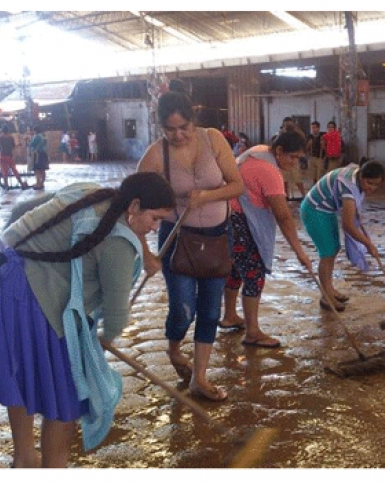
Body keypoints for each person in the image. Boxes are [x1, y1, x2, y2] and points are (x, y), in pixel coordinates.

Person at [0, 172, 176, 468]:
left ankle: (25, 458)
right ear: (134, 206)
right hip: (18, 297)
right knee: (66, 401)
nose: (155, 228)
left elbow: (20, 213)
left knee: (23, 378)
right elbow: (117, 316)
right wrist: (95, 349)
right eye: (155, 218)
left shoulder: (89, 190)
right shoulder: (120, 243)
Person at [136, 79, 244, 402]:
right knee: (183, 309)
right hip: (177, 240)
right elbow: (133, 206)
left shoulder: (214, 141)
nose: (179, 135)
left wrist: (208, 196)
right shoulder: (155, 156)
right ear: (161, 128)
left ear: (193, 121)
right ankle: (173, 349)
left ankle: (200, 377)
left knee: (210, 310)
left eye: (184, 127)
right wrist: (145, 253)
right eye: (171, 130)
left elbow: (237, 185)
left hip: (217, 237)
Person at [218, 131, 314, 347]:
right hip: (242, 221)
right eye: (293, 157)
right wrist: (300, 252)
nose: (295, 162)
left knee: (235, 268)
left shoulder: (257, 152)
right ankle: (252, 332)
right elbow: (283, 216)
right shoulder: (268, 171)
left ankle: (230, 315)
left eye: (299, 158)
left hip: (227, 217)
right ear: (279, 151)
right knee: (254, 273)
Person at [300, 159, 385, 312]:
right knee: (327, 252)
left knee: (333, 249)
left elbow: (352, 217)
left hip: (326, 208)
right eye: (369, 183)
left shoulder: (357, 174)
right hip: (314, 209)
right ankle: (326, 297)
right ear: (361, 177)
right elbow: (348, 225)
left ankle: (329, 289)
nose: (372, 188)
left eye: (376, 185)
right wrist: (368, 244)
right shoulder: (349, 188)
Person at [276, 117, 306, 199]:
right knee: (284, 179)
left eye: (290, 124)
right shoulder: (281, 135)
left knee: (297, 178)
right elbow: (276, 145)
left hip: (294, 158)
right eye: (286, 124)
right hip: (284, 159)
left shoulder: (298, 134)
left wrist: (300, 155)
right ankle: (286, 196)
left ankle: (304, 195)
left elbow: (303, 144)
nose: (288, 126)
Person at [0, 125, 30, 190]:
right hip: (9, 156)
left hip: (2, 156)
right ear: (8, 131)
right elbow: (13, 146)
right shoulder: (11, 137)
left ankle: (6, 186)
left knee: (4, 172)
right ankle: (21, 184)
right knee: (14, 170)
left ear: (2, 131)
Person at [29, 126, 50, 190]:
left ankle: (38, 183)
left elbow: (31, 144)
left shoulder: (36, 136)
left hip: (38, 154)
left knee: (37, 169)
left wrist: (30, 139)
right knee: (42, 169)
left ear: (35, 131)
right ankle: (42, 183)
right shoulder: (43, 136)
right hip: (43, 153)